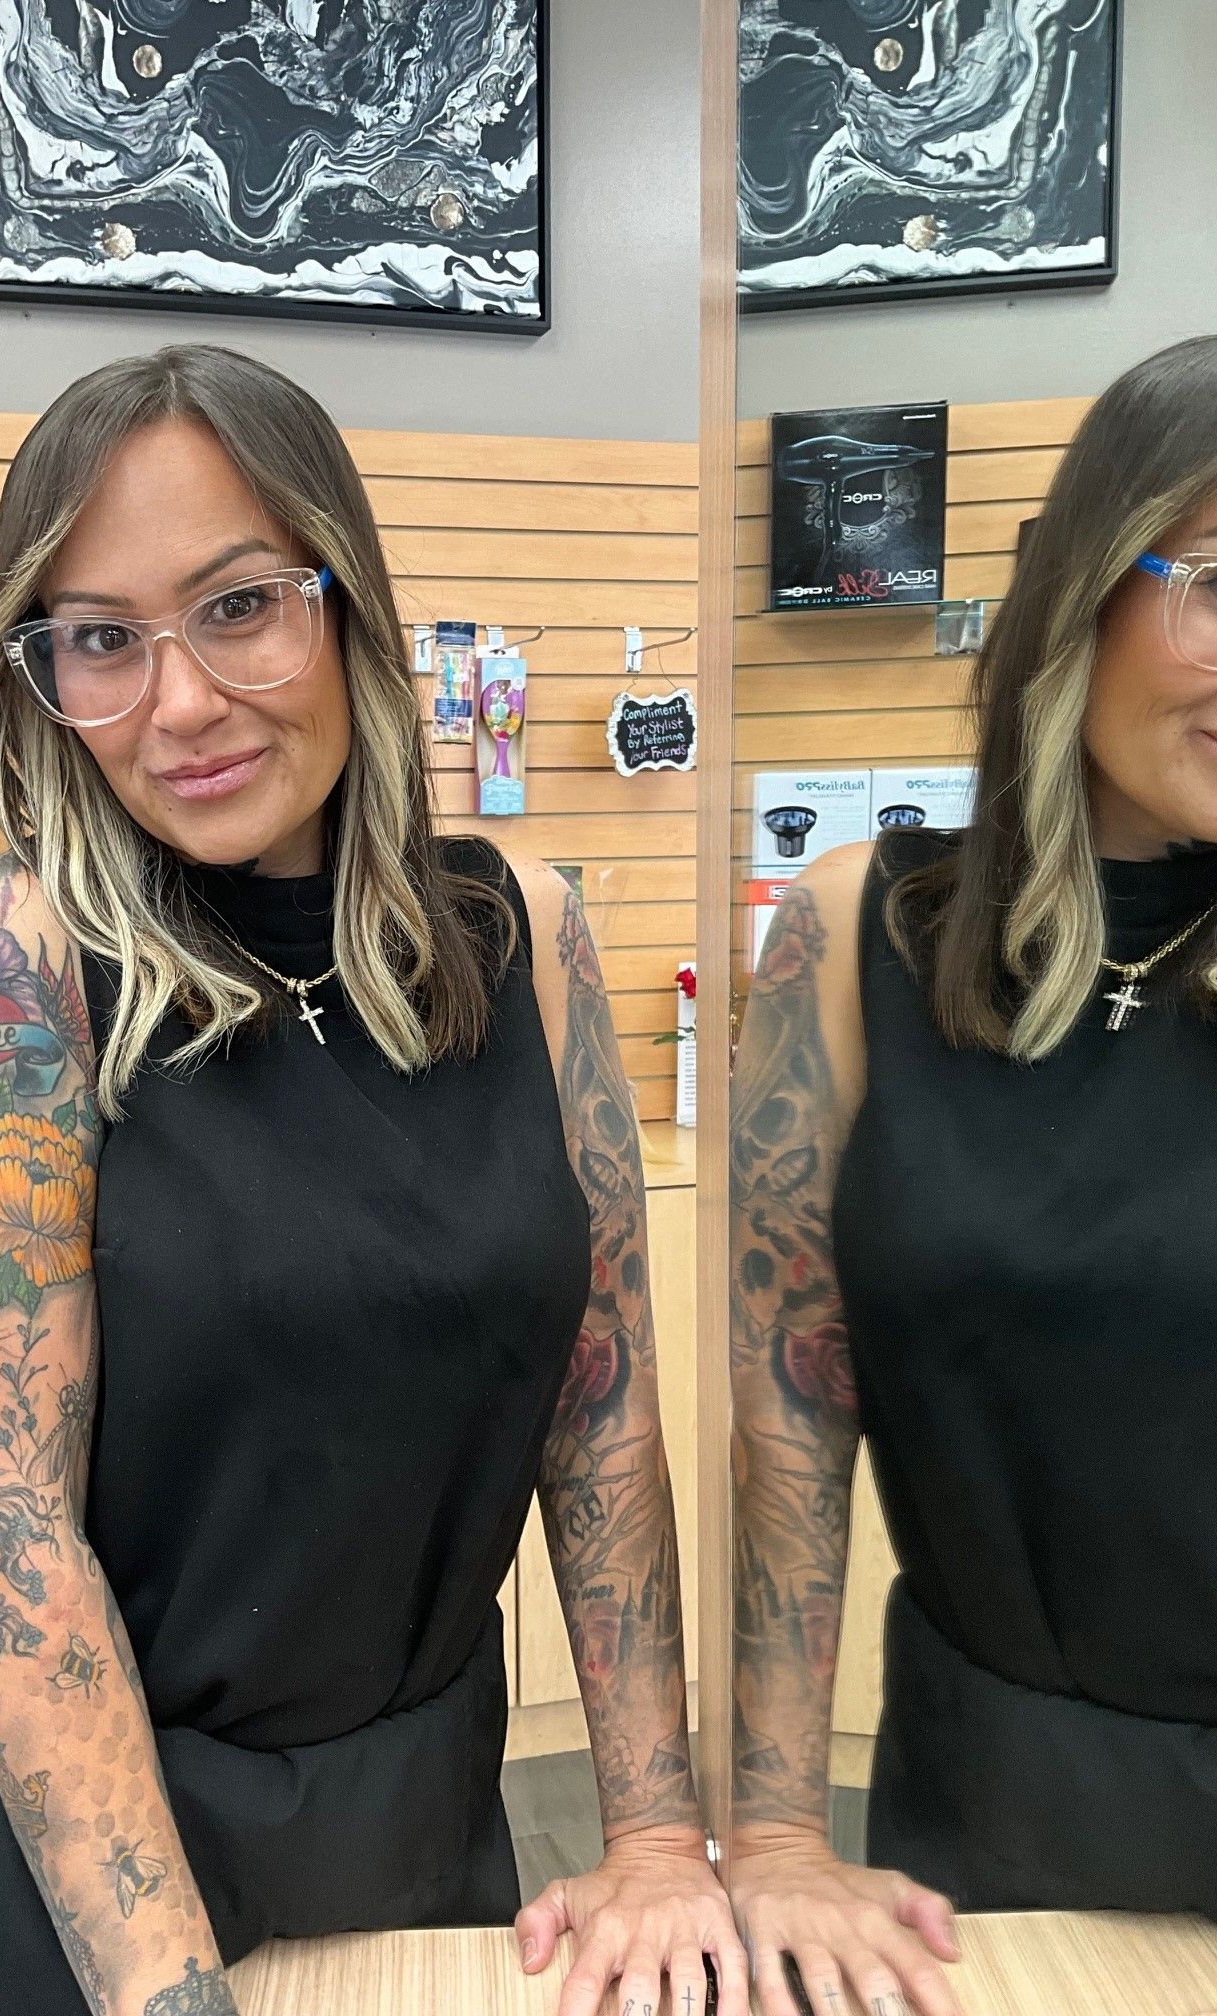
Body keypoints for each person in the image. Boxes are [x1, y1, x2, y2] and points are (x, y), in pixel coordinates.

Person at [0, 343, 745, 2016]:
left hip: (413, 1838)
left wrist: (659, 1833)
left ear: (347, 602)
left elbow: (595, 1412)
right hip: (69, 1897)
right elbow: (5, 1526)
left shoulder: (524, 935)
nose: (177, 704)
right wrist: (171, 1993)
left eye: (238, 606)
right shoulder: (21, 957)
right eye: (100, 639)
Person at [727, 333, 1217, 2016]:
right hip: (976, 1816)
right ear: (1087, 584)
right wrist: (777, 1829)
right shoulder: (863, 935)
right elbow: (793, 1413)